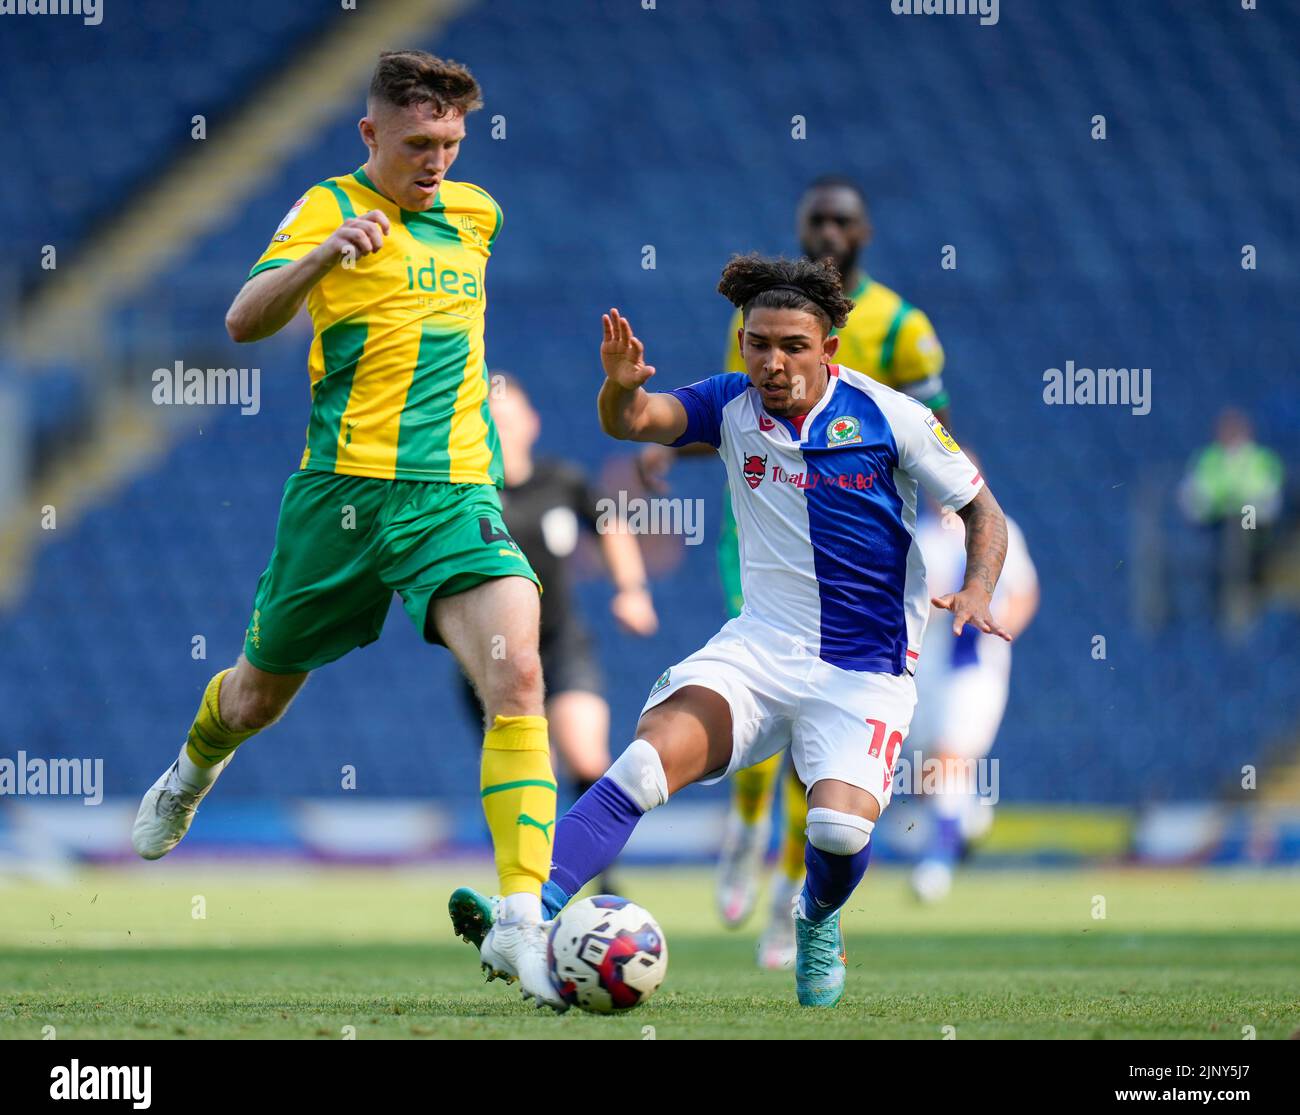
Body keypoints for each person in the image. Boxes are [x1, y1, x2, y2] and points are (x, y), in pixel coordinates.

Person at [451, 253, 1011, 1009]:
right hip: (757, 651)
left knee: (840, 831)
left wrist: (977, 586)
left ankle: (813, 916)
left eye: (791, 346)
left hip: (864, 671)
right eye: (757, 343)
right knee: (642, 765)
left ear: (829, 350)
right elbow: (637, 422)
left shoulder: (892, 418)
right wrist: (621, 389)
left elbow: (982, 509)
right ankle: (529, 915)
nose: (772, 363)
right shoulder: (729, 405)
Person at [130, 50, 563, 1008]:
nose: (437, 160)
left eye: (450, 142)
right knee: (253, 700)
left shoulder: (478, 215)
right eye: (417, 143)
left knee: (519, 675)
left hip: (453, 495)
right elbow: (243, 321)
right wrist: (325, 257)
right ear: (371, 135)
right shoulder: (327, 207)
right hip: (342, 499)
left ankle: (522, 917)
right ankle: (191, 771)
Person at [710, 177, 954, 967]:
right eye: (815, 217)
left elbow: (931, 433)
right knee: (752, 684)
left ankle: (790, 906)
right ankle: (743, 832)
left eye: (841, 220)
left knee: (817, 737)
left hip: (851, 555)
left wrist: (952, 511)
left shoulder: (905, 330)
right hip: (760, 535)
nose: (827, 230)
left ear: (865, 232)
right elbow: (731, 410)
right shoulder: (760, 321)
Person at [458, 373, 658, 893]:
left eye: (507, 417)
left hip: (562, 644)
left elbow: (611, 525)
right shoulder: (466, 491)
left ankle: (604, 882)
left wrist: (631, 588)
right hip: (490, 656)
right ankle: (525, 888)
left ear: (531, 424)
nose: (499, 428)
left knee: (587, 755)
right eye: (488, 420)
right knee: (531, 776)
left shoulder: (561, 481)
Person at [907, 485, 1039, 902]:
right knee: (927, 774)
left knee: (950, 755)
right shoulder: (921, 537)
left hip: (975, 667)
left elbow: (1024, 592)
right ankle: (966, 815)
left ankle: (937, 864)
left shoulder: (1001, 531)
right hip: (928, 665)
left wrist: (999, 632)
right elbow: (912, 604)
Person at [1178, 408, 1284, 624]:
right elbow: (1191, 497)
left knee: (1245, 523)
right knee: (1224, 533)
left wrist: (1239, 503)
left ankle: (1247, 588)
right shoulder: (1208, 460)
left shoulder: (1262, 460)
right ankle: (1222, 598)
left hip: (1253, 522)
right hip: (1218, 523)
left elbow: (1269, 499)